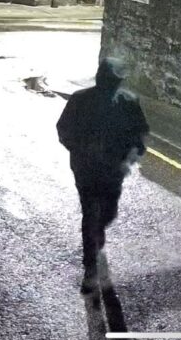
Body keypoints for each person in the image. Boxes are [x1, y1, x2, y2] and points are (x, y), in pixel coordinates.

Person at [57, 57, 149, 297]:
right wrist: (81, 149)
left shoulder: (128, 101)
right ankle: (90, 271)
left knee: (108, 213)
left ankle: (98, 233)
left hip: (112, 171)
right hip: (87, 169)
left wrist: (132, 154)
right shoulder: (80, 99)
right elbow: (63, 129)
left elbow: (139, 132)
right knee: (90, 215)